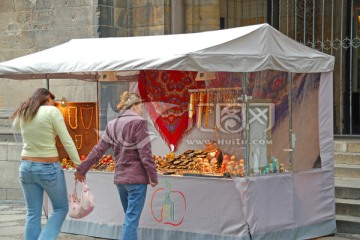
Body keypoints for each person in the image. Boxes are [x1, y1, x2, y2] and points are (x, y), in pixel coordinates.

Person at [74, 91, 158, 240]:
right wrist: (153, 176)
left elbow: (98, 150)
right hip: (137, 179)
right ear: (134, 106)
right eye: (140, 107)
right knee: (131, 222)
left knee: (129, 220)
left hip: (121, 180)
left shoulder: (112, 124)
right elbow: (145, 154)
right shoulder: (139, 123)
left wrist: (82, 169)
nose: (141, 111)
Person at [12, 88, 81, 240]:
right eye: (53, 100)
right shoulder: (52, 111)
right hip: (47, 167)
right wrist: (79, 164)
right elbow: (67, 141)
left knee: (32, 213)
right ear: (47, 98)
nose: (54, 103)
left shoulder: (25, 111)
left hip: (26, 166)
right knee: (61, 208)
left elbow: (15, 127)